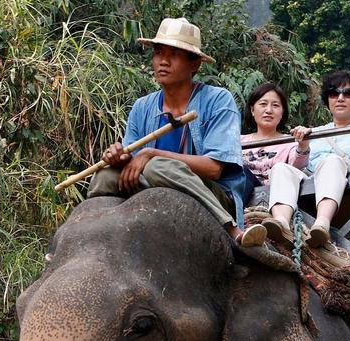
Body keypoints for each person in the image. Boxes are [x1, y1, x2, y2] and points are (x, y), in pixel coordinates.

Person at [88, 17, 266, 247]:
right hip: (153, 182)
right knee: (104, 175)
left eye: (174, 54)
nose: (163, 61)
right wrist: (119, 157)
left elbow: (213, 168)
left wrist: (152, 154)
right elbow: (133, 159)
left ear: (195, 64)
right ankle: (86, 237)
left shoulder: (218, 100)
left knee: (158, 166)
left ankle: (231, 229)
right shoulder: (142, 106)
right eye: (159, 52)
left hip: (211, 193)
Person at [261, 70, 350, 248]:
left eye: (348, 93)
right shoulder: (315, 133)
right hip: (313, 184)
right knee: (281, 168)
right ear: (328, 99)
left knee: (332, 161)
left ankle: (322, 224)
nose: (340, 98)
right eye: (334, 93)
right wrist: (303, 145)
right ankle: (281, 221)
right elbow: (302, 168)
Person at [240, 83, 310, 190]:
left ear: (282, 113)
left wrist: (303, 145)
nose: (269, 110)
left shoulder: (290, 143)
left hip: (276, 196)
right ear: (252, 110)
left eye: (275, 105)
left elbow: (297, 167)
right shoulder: (238, 141)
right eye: (263, 104)